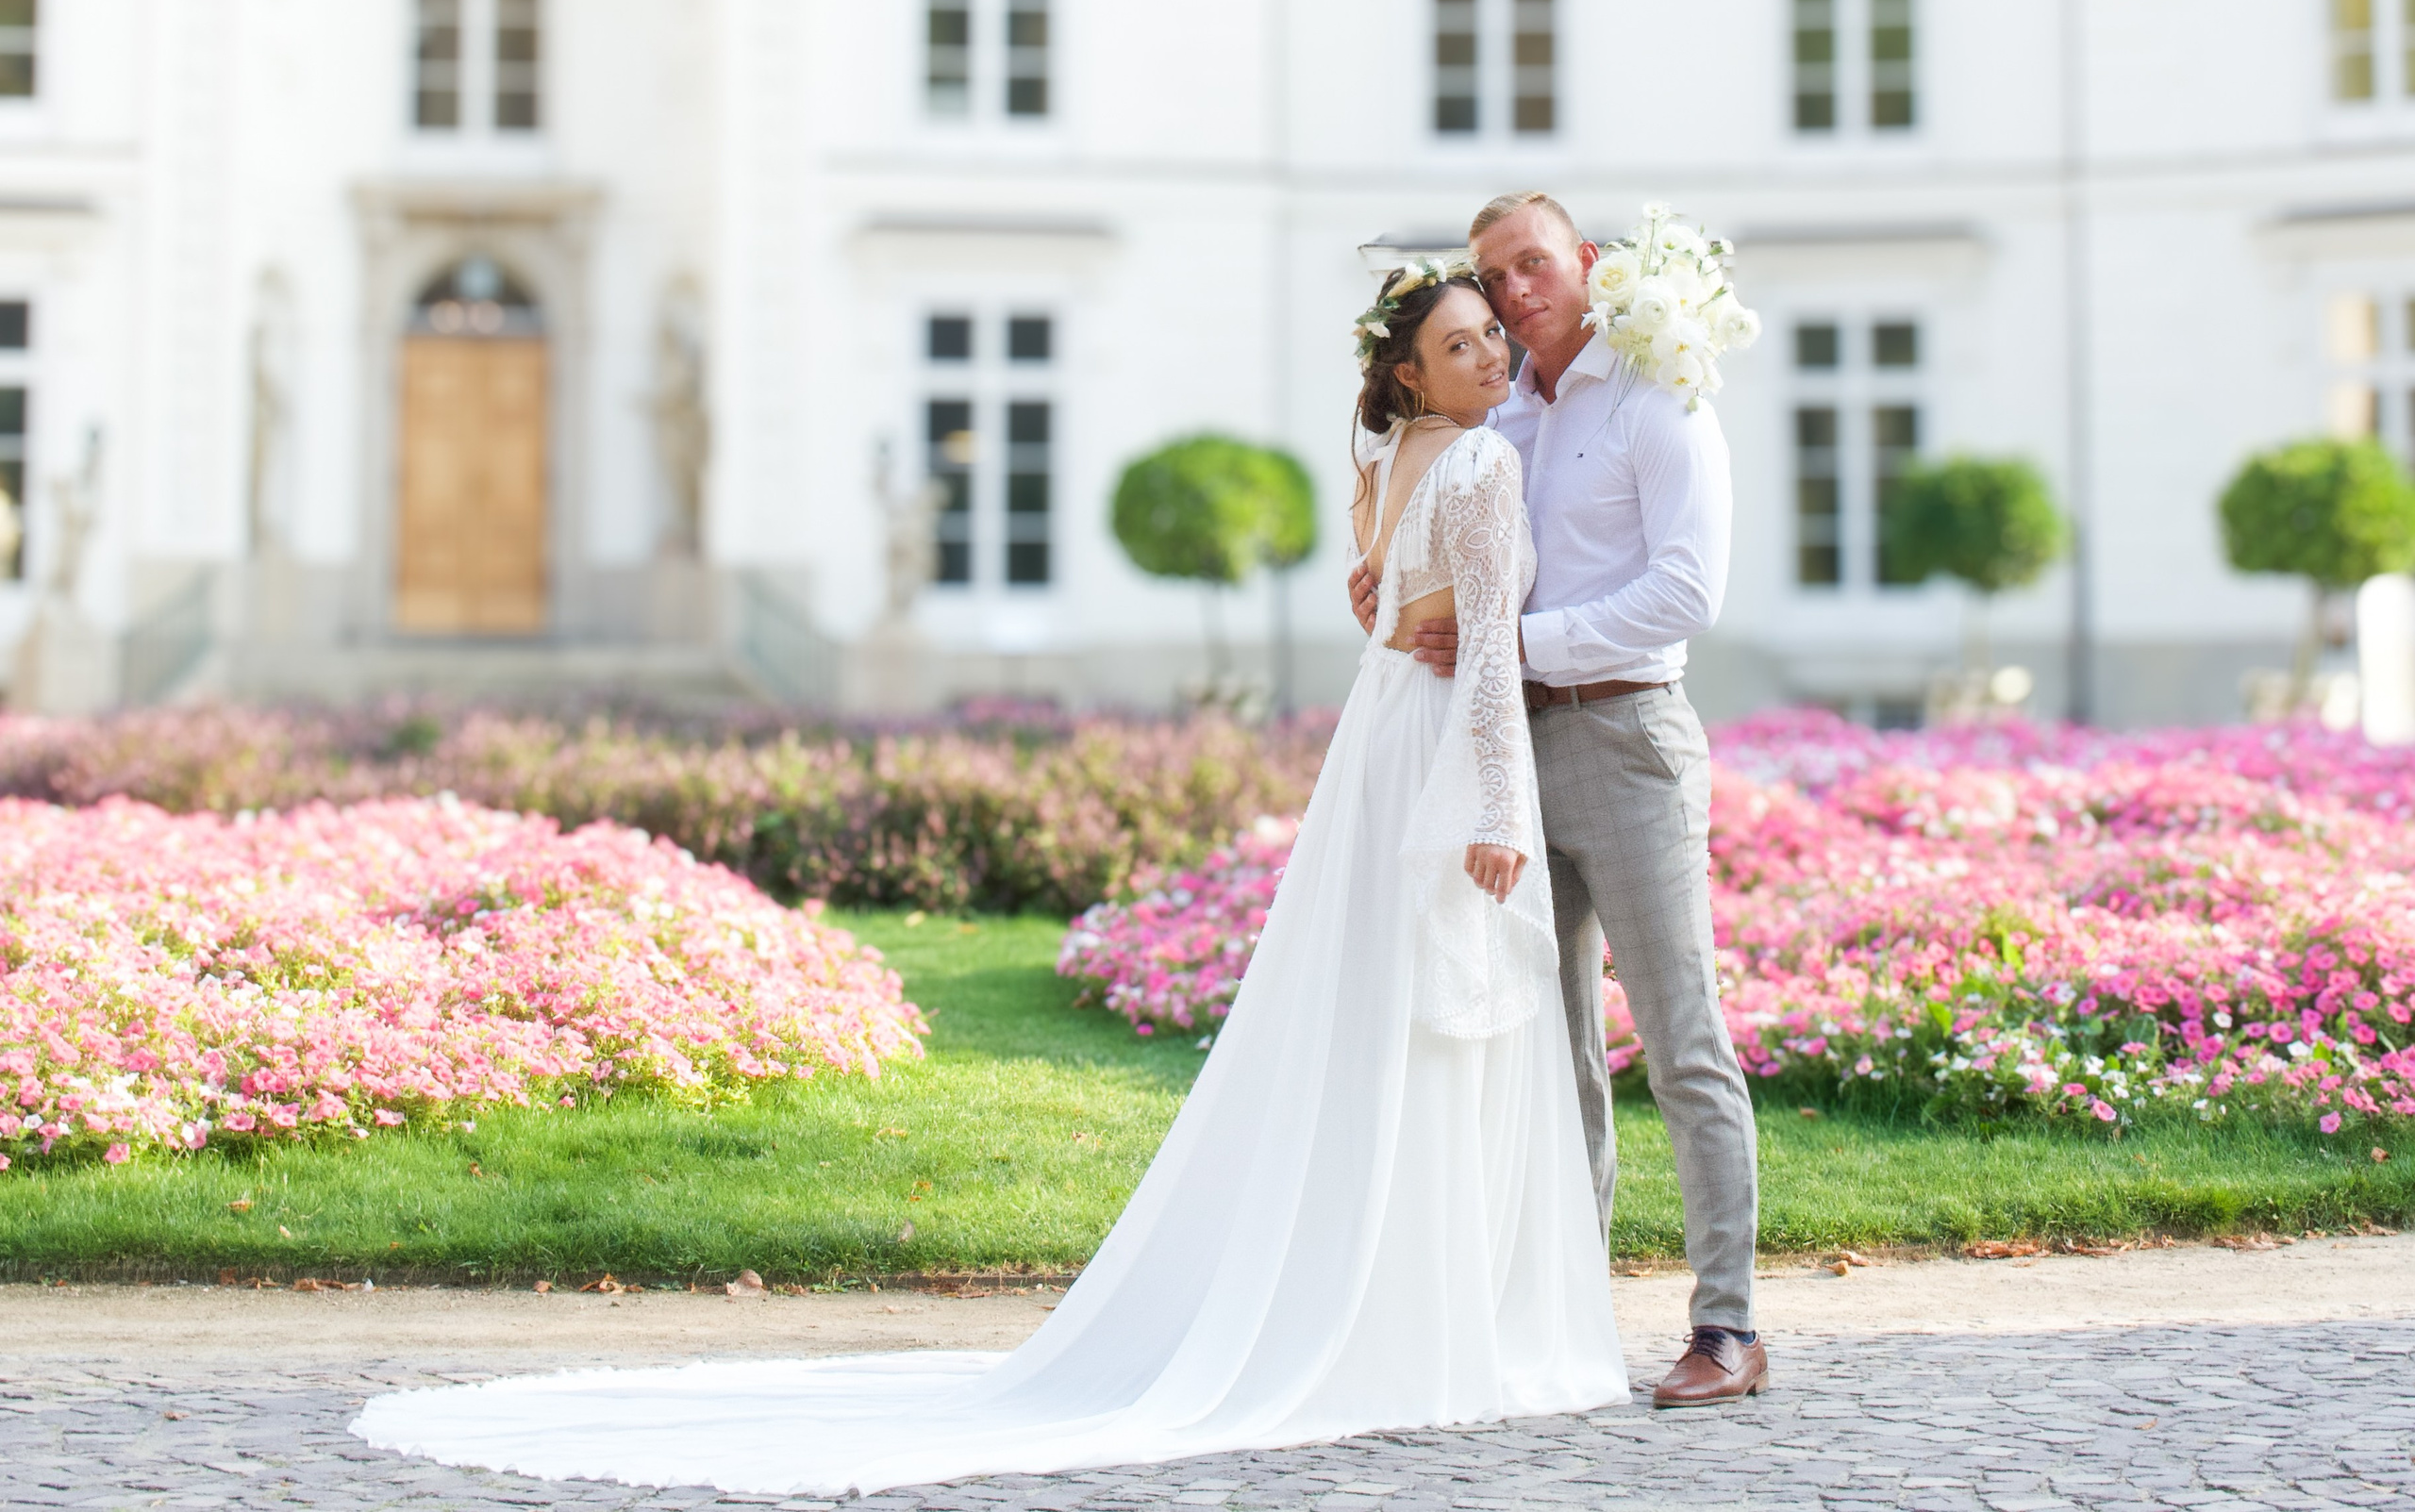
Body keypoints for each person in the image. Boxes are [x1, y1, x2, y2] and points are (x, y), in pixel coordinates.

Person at [356, 267, 1625, 1499]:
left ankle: (1397, 1300)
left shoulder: (1393, 461)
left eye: (1488, 341)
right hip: (1443, 752)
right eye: (1461, 344)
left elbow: (1402, 616)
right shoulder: (1482, 458)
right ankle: (1447, 1320)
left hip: (1379, 745)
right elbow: (1485, 661)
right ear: (1408, 368)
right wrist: (1503, 808)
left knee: (1379, 1017)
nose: (1490, 358)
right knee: (1443, 1023)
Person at [1349, 192, 1765, 1408]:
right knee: (1551, 1046)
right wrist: (1391, 594)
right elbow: (1444, 578)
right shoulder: (1497, 413)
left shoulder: (1658, 397)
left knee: (1683, 1039)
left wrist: (1520, 642)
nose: (1515, 292)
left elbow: (1687, 591)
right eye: (1494, 277)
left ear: (1585, 263)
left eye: (1533, 265)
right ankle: (1564, 1324)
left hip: (1628, 737)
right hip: (1510, 753)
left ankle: (1727, 1326)